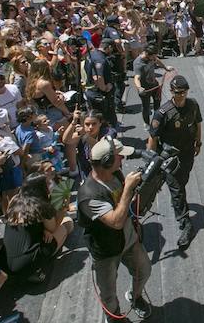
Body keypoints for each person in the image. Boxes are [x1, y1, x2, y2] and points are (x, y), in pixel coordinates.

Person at [77, 137, 152, 322]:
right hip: (106, 251)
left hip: (129, 240)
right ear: (106, 162)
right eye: (119, 157)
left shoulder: (115, 174)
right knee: (109, 294)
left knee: (144, 271)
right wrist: (127, 189)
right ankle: (115, 317)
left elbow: (127, 205)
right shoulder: (89, 195)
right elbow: (116, 221)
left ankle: (135, 297)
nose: (122, 160)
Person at [148, 74, 201, 250]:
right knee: (177, 189)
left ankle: (179, 202)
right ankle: (186, 224)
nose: (181, 95)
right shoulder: (162, 113)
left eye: (183, 92)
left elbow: (198, 124)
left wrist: (198, 142)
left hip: (187, 153)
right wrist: (151, 160)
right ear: (171, 91)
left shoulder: (192, 104)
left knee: (183, 182)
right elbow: (153, 138)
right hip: (171, 157)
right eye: (177, 92)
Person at [132, 46, 172, 129]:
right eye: (153, 56)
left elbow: (157, 61)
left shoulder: (151, 58)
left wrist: (165, 67)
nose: (154, 58)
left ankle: (157, 120)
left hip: (155, 85)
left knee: (157, 104)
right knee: (146, 107)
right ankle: (146, 123)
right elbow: (137, 78)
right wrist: (139, 88)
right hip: (145, 89)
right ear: (147, 54)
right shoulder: (139, 63)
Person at [85, 38, 118, 128]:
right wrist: (104, 87)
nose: (112, 50)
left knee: (96, 117)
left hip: (91, 91)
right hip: (100, 94)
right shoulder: (101, 59)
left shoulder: (91, 54)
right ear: (109, 47)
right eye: (112, 48)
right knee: (107, 119)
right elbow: (98, 77)